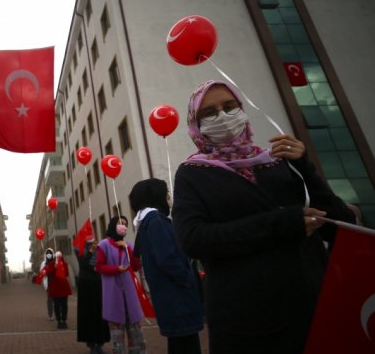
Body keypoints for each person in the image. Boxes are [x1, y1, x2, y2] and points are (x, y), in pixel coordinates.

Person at [172, 80, 355, 354]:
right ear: (196, 125)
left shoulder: (280, 160)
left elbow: (340, 227)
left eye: (229, 106)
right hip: (248, 323)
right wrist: (283, 224)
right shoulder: (193, 173)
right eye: (209, 113)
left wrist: (305, 166)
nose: (222, 116)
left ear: (242, 109)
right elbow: (194, 239)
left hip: (313, 312)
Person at [130, 179, 203, 354]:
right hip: (177, 297)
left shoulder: (148, 222)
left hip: (170, 297)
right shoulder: (156, 220)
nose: (169, 197)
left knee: (179, 344)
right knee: (187, 344)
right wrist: (188, 278)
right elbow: (166, 258)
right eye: (166, 193)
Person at [95, 216, 146, 354]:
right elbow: (99, 267)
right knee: (117, 338)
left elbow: (136, 266)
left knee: (136, 335)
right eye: (120, 223)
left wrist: (127, 249)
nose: (123, 226)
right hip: (113, 296)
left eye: (125, 224)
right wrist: (116, 269)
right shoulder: (104, 245)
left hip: (130, 297)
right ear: (113, 225)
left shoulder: (129, 245)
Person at [76, 236, 110, 354]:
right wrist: (90, 251)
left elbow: (103, 264)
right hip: (86, 288)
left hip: (99, 285)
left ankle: (99, 343)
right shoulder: (80, 251)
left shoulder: (100, 251)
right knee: (89, 316)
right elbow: (83, 264)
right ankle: (92, 345)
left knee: (100, 315)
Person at [44, 250, 72, 329]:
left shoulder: (64, 264)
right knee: (57, 305)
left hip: (62, 287)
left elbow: (66, 273)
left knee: (63, 305)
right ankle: (60, 321)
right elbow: (48, 273)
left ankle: (63, 320)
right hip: (56, 288)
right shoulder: (51, 264)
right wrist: (54, 268)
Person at [40, 248, 55, 321]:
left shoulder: (55, 261)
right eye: (47, 253)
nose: (49, 254)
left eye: (50, 253)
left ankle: (58, 313)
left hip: (56, 283)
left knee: (57, 300)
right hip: (48, 284)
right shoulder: (44, 263)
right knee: (50, 300)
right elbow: (42, 273)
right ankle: (50, 315)